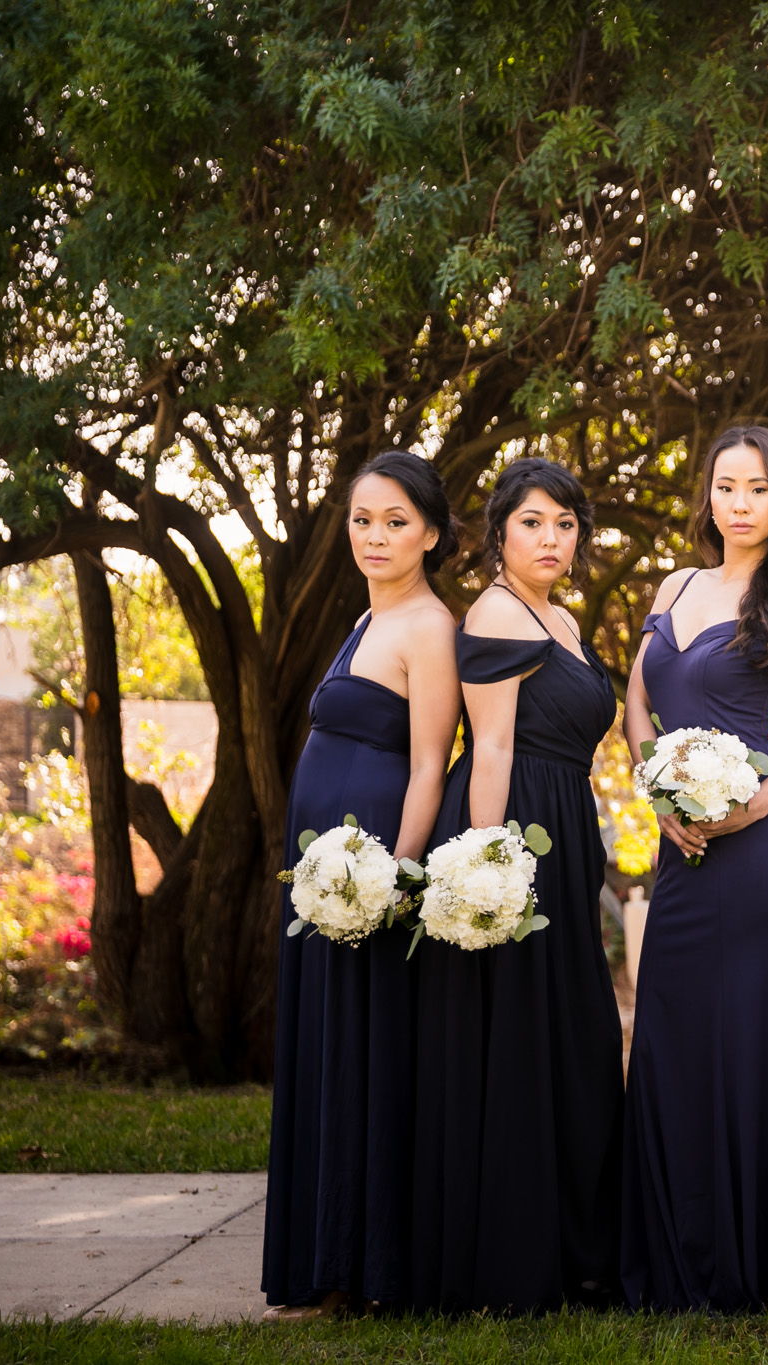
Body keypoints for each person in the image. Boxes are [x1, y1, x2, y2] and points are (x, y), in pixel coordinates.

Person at [619, 426, 768, 1312]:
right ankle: (671, 1256)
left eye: (759, 489)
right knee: (670, 1037)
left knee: (744, 1045)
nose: (741, 503)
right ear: (708, 496)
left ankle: (754, 1263)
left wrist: (749, 804)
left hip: (757, 852)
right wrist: (660, 793)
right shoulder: (673, 585)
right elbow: (637, 699)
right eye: (727, 486)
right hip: (680, 842)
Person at [410, 458, 624, 1313]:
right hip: (517, 825)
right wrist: (490, 863)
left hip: (563, 825)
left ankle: (575, 1246)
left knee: (569, 1035)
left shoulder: (560, 616)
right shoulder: (497, 610)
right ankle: (510, 1259)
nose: (551, 538)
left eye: (566, 524)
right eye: (533, 521)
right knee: (521, 1037)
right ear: (499, 532)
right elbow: (490, 744)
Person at [263, 451, 459, 1319]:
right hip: (323, 876)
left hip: (368, 872)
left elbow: (429, 765)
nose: (375, 536)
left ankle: (366, 1267)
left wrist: (393, 875)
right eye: (362, 520)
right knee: (327, 1050)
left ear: (432, 533)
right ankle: (326, 1259)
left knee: (363, 1053)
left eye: (395, 521)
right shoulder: (364, 615)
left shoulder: (427, 625)